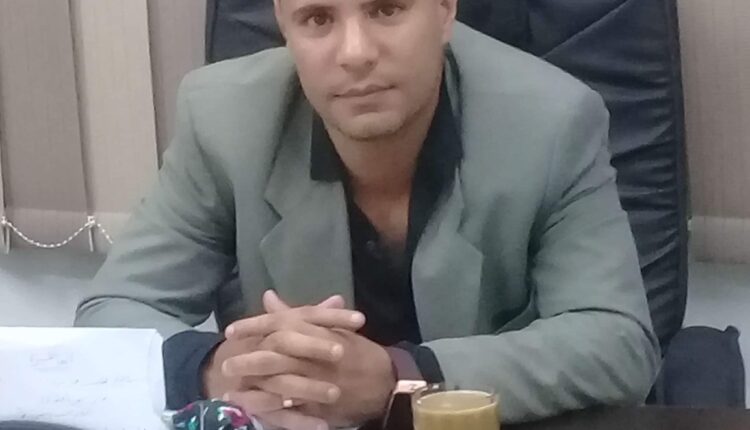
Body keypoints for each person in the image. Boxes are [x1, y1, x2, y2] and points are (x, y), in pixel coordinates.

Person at [75, 0, 660, 428]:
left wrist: (398, 377)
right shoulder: (224, 120)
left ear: (444, 10)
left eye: (386, 9)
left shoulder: (551, 122)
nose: (354, 53)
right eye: (317, 18)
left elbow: (616, 342)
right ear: (285, 26)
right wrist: (217, 367)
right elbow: (113, 314)